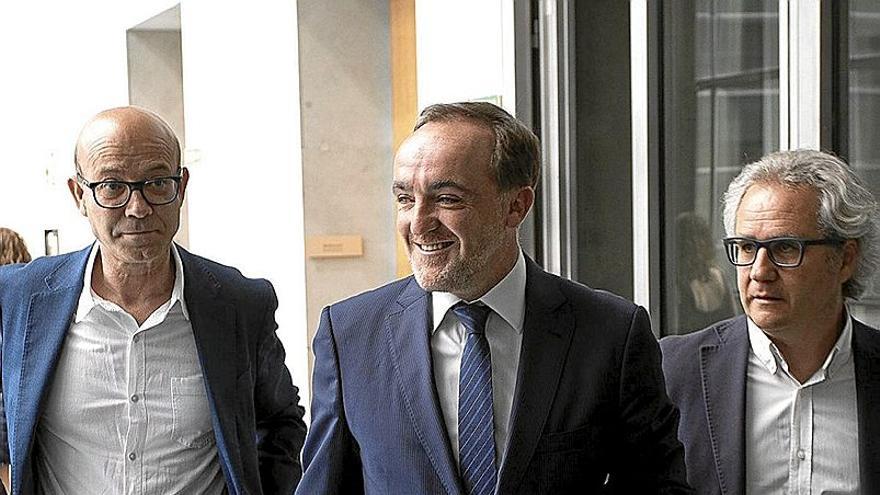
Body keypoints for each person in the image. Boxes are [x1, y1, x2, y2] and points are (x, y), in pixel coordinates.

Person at [298, 102, 692, 494]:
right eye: (405, 198)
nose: (418, 223)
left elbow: (659, 487)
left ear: (516, 206)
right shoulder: (349, 335)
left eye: (447, 199)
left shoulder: (610, 335)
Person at [0, 106, 306, 494]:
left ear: (182, 187)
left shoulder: (239, 305)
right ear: (79, 195)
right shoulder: (19, 299)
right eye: (112, 186)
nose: (138, 207)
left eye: (158, 182)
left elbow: (280, 423)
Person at [660, 149, 880, 494]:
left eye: (786, 248)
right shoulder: (673, 371)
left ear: (846, 259)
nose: (760, 272)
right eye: (747, 248)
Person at [674, 212, 736, 333]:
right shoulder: (676, 285)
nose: (700, 245)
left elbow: (734, 321)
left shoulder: (718, 276)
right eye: (693, 241)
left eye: (702, 238)